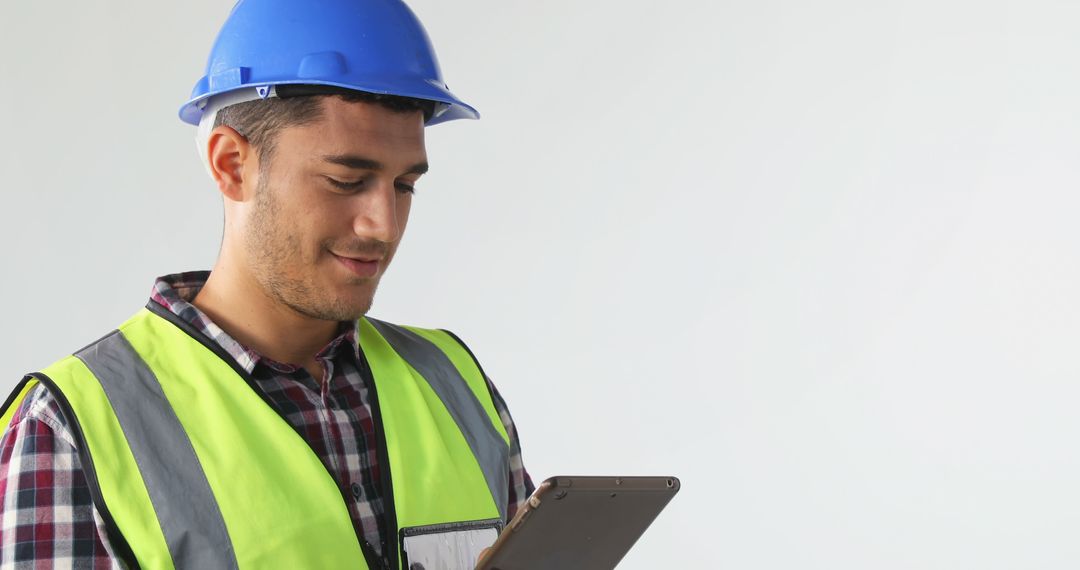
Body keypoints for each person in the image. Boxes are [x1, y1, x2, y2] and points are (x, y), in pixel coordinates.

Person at [0, 1, 533, 568]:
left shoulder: (455, 382)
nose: (383, 224)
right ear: (232, 164)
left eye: (404, 186)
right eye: (345, 181)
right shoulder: (71, 429)